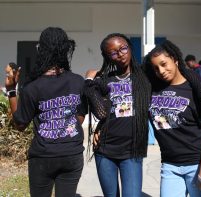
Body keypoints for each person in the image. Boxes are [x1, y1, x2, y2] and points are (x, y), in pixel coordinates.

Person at [4, 27, 87, 197]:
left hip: (43, 157)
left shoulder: (32, 87)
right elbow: (79, 117)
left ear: (41, 50)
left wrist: (12, 90)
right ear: (66, 50)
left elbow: (19, 124)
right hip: (72, 154)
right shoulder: (78, 82)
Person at [143, 40, 201, 197]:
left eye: (164, 64)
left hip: (198, 164)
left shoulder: (195, 90)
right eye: (156, 68)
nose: (161, 71)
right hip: (170, 166)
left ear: (175, 60)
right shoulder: (153, 89)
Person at [84, 33, 151, 197]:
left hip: (132, 151)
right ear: (108, 57)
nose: (120, 54)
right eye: (113, 53)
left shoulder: (145, 76)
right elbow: (101, 113)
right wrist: (88, 80)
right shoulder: (105, 80)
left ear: (129, 47)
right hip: (105, 150)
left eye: (123, 48)